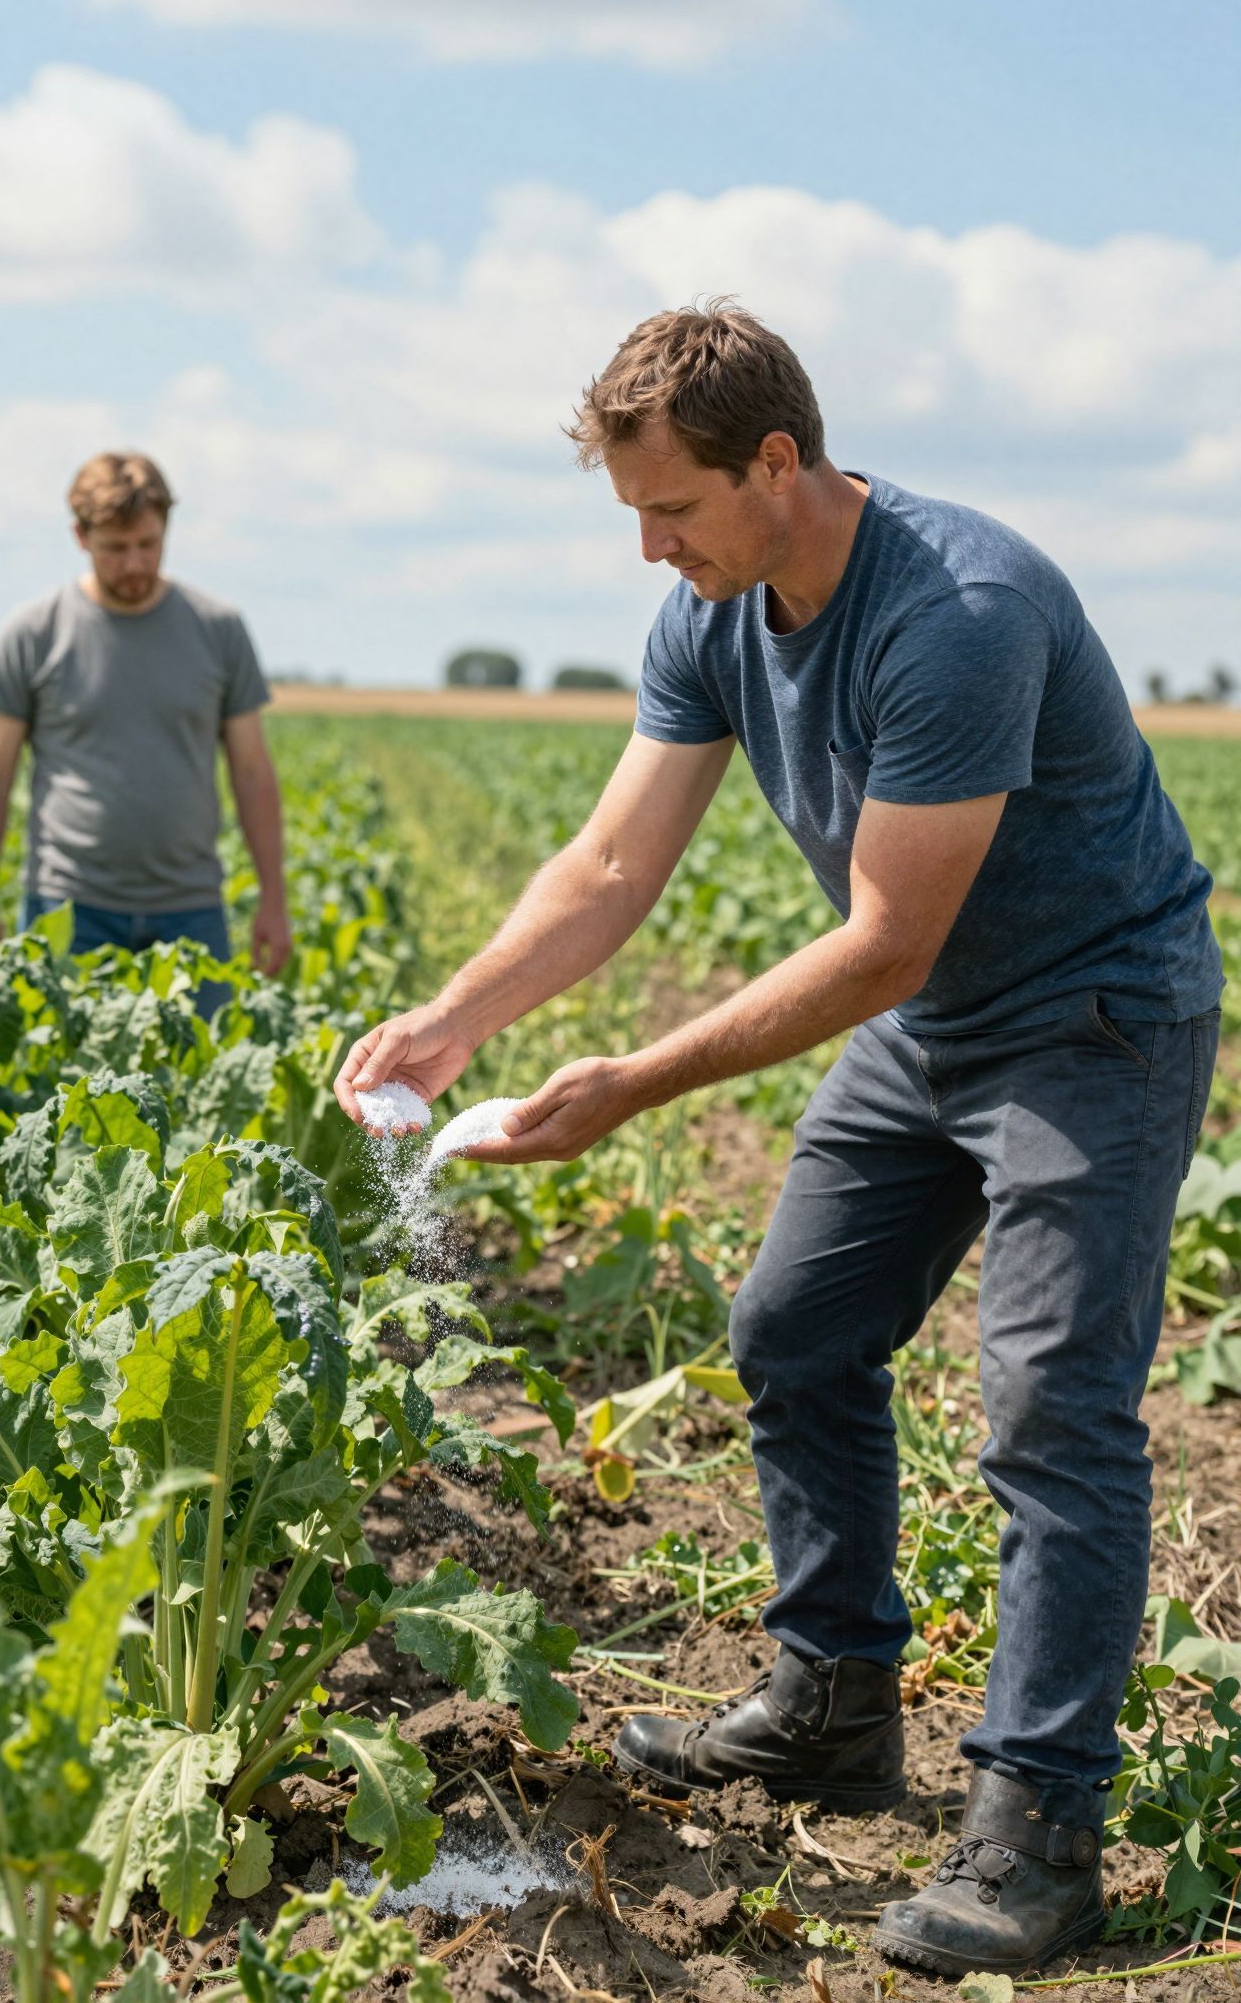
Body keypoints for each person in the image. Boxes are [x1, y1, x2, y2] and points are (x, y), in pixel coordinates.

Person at [334, 302, 1222, 1978]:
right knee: (793, 1331)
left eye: (672, 509)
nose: (652, 550)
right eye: (634, 515)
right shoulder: (711, 610)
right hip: (937, 1018)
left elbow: (882, 940)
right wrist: (455, 1021)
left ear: (778, 461)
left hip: (1090, 1018)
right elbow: (613, 864)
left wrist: (632, 1080)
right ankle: (834, 1700)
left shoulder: (959, 611)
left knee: (1052, 1403)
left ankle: (1041, 1830)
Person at [0, 451, 290, 1013]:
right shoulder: (34, 633)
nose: (135, 563)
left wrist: (274, 900)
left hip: (190, 909)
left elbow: (253, 772)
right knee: (60, 1067)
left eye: (148, 544)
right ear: (80, 537)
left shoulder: (218, 630)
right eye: (115, 548)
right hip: (67, 909)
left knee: (203, 1068)